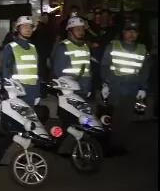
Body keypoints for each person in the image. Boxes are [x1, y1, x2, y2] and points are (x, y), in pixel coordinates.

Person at [100, 21, 150, 155]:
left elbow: (145, 70)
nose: (132, 34)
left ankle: (118, 145)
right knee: (112, 117)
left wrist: (143, 88)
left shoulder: (142, 49)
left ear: (138, 34)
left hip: (132, 88)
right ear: (123, 32)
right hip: (115, 87)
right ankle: (109, 144)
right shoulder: (113, 46)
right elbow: (104, 66)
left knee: (125, 118)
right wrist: (105, 84)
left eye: (135, 31)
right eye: (129, 31)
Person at [0, 16, 40, 107]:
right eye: (24, 26)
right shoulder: (10, 48)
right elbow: (5, 72)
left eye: (30, 27)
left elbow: (36, 73)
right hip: (17, 92)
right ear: (18, 28)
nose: (28, 29)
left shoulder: (33, 48)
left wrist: (37, 93)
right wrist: (9, 92)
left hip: (32, 91)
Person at [51, 16, 92, 98]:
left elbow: (88, 69)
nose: (81, 32)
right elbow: (58, 71)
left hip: (84, 88)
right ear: (70, 31)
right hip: (70, 90)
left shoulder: (86, 46)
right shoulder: (63, 47)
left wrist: (89, 87)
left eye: (82, 29)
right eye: (78, 29)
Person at [31, 12, 53, 82]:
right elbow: (47, 43)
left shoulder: (40, 28)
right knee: (42, 74)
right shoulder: (44, 29)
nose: (46, 19)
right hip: (42, 55)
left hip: (38, 54)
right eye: (45, 17)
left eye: (47, 18)